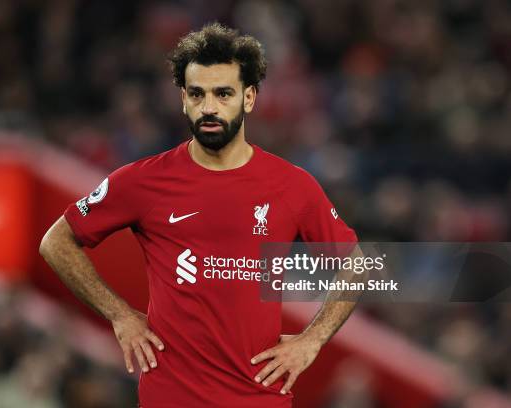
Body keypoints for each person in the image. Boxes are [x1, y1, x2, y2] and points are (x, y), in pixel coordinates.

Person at [40, 22, 359, 408]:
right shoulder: (143, 181)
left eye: (223, 93)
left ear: (250, 98)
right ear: (183, 100)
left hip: (259, 401)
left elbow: (356, 265)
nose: (209, 107)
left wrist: (313, 339)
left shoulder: (292, 186)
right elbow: (56, 241)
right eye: (197, 94)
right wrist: (120, 315)